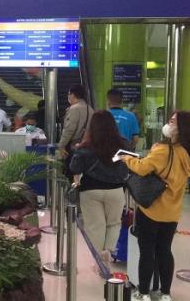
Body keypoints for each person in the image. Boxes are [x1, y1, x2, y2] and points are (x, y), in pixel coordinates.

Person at [122, 111, 190, 301]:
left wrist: (126, 159)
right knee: (165, 250)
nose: (168, 123)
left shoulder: (164, 151)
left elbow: (142, 167)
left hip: (151, 209)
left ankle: (143, 293)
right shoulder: (188, 153)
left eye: (172, 121)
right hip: (172, 212)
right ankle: (165, 293)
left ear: (181, 128)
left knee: (146, 251)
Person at [69, 110, 128, 275]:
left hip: (91, 190)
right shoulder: (123, 144)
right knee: (114, 223)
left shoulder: (85, 147)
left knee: (96, 226)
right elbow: (129, 166)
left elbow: (74, 168)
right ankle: (108, 252)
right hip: (116, 190)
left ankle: (100, 262)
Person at [58, 84, 94, 178]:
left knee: (71, 173)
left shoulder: (74, 109)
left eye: (68, 94)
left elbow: (69, 129)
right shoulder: (90, 109)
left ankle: (73, 191)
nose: (68, 96)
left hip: (73, 147)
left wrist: (61, 146)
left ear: (72, 95)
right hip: (87, 146)